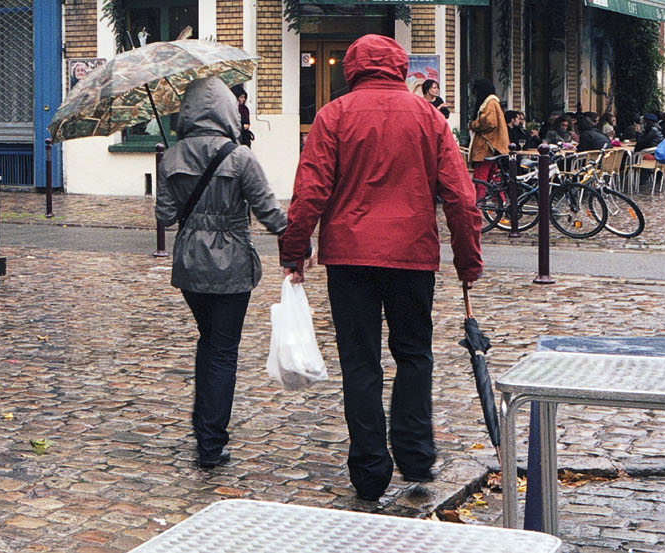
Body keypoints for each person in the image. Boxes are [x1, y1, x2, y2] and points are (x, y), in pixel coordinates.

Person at [278, 34, 483, 502]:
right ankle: (414, 452)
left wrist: (295, 251)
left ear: (352, 68)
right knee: (413, 353)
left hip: (349, 257)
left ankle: (370, 468)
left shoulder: (334, 115)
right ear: (399, 67)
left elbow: (309, 192)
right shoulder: (428, 117)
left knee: (360, 361)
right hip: (411, 254)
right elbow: (459, 195)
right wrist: (467, 259)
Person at [154, 77, 286, 469]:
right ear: (228, 111)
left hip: (191, 264)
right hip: (231, 264)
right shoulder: (240, 157)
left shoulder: (171, 157)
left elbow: (164, 215)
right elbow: (269, 212)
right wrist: (297, 240)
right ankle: (211, 442)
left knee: (208, 340)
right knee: (223, 350)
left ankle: (202, 424)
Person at [466, 80, 507, 184]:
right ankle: (500, 199)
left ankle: (479, 199)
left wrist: (473, 125)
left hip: (485, 145)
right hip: (492, 145)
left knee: (481, 176)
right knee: (493, 175)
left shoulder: (489, 103)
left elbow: (489, 122)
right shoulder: (494, 103)